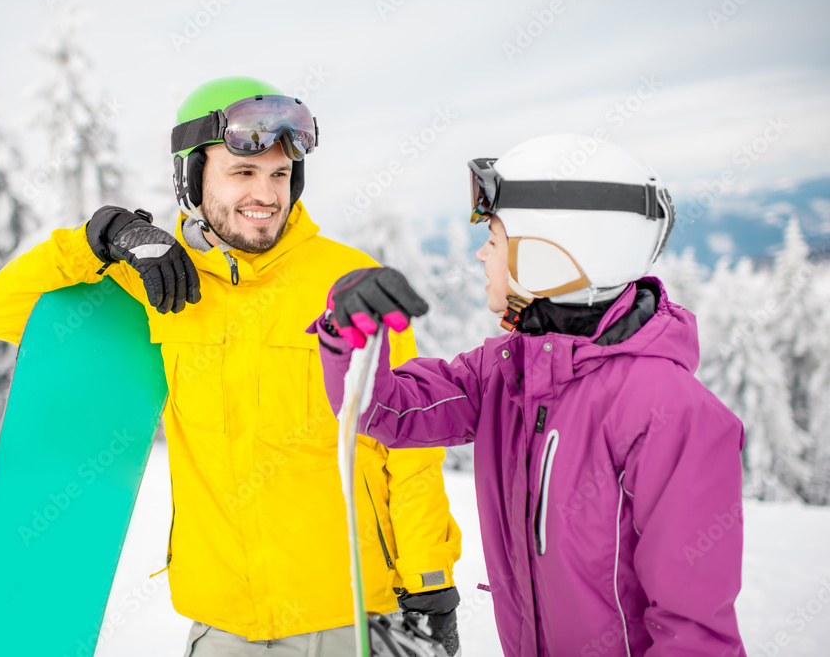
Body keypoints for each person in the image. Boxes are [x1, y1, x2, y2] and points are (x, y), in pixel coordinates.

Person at [0, 76, 462, 656]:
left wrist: (431, 585)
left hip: (351, 620)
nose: (267, 194)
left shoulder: (346, 283)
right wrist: (103, 237)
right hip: (223, 627)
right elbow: (0, 313)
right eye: (242, 172)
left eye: (280, 175)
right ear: (191, 176)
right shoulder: (160, 278)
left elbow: (406, 449)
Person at [312, 134, 747, 656]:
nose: (480, 253)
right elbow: (383, 410)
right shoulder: (508, 371)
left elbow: (695, 636)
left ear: (549, 256)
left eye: (494, 239)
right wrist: (345, 327)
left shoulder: (669, 412)